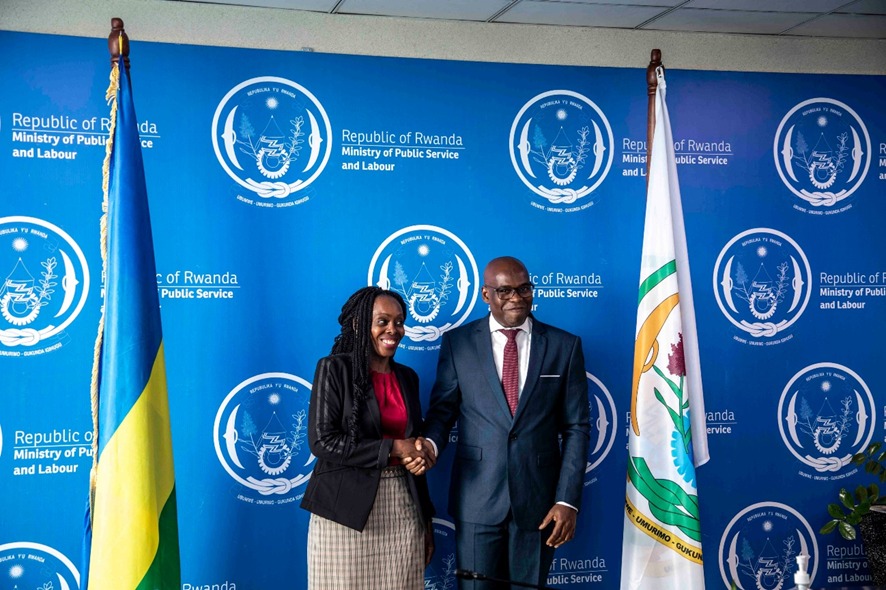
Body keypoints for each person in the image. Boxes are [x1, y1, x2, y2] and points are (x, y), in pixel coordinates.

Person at [421, 256, 590, 589]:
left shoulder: (564, 346)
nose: (516, 297)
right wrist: (429, 445)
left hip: (539, 503)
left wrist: (567, 500)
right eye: (505, 291)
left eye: (524, 288)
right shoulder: (458, 343)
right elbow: (442, 411)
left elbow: (576, 428)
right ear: (486, 295)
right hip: (476, 499)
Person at [301, 286, 435, 589]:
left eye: (399, 322)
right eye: (382, 321)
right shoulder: (334, 369)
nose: (393, 330)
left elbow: (412, 445)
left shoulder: (408, 378)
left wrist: (425, 520)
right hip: (344, 511)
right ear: (359, 324)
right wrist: (394, 447)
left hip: (403, 506)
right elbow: (322, 441)